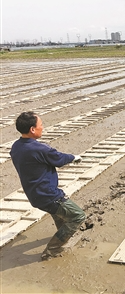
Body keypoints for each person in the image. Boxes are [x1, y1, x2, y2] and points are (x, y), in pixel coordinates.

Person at [10, 111, 86, 261]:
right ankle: (52, 249)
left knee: (59, 214)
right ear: (32, 129)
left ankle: (63, 235)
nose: (43, 128)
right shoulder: (39, 149)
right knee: (78, 216)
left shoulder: (16, 147)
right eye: (41, 125)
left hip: (34, 194)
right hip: (49, 195)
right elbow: (59, 158)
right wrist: (74, 157)